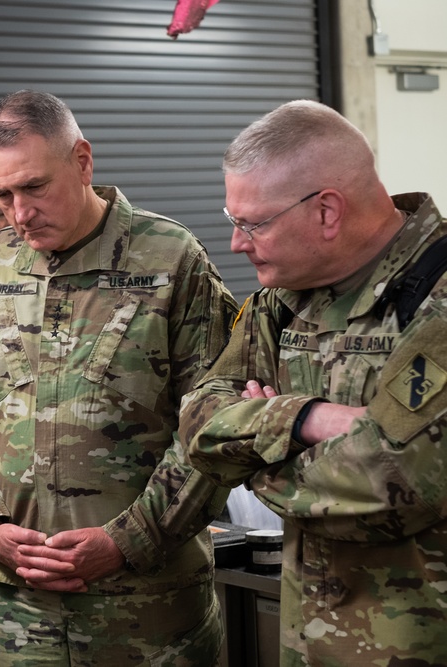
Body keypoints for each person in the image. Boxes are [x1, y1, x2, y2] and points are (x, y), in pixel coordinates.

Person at [0, 89, 237, 665]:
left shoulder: (170, 260)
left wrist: (128, 541)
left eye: (35, 187)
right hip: (19, 618)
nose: (19, 214)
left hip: (149, 618)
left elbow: (214, 431)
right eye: (3, 195)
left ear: (82, 160)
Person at [180, 99, 447, 666]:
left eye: (253, 224)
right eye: (235, 223)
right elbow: (198, 422)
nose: (236, 243)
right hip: (307, 643)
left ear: (327, 210)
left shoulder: (436, 299)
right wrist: (303, 419)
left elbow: (397, 481)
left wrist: (252, 460)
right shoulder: (280, 301)